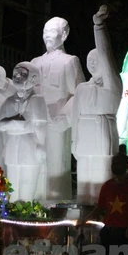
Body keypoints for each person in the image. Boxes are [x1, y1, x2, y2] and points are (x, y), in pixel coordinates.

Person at [61, 5, 123, 205]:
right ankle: (83, 212)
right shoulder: (81, 89)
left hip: (103, 135)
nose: (93, 63)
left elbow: (106, 55)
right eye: (90, 60)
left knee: (102, 179)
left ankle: (103, 210)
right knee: (84, 182)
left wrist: (98, 27)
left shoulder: (113, 85)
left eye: (97, 60)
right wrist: (73, 143)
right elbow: (75, 118)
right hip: (84, 138)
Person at [31, 16, 85, 200]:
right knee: (36, 167)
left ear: (64, 35)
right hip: (36, 122)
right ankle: (33, 206)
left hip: (57, 122)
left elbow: (79, 93)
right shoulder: (35, 63)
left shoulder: (70, 61)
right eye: (44, 32)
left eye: (52, 32)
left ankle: (56, 209)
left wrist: (65, 118)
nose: (47, 36)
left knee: (56, 167)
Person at [0, 62, 48, 201]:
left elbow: (40, 124)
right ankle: (13, 213)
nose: (17, 76)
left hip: (30, 146)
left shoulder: (37, 99)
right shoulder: (9, 101)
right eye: (15, 74)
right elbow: (0, 125)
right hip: (12, 147)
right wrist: (16, 123)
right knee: (12, 185)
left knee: (28, 184)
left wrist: (41, 144)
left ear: (33, 78)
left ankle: (25, 214)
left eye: (22, 74)